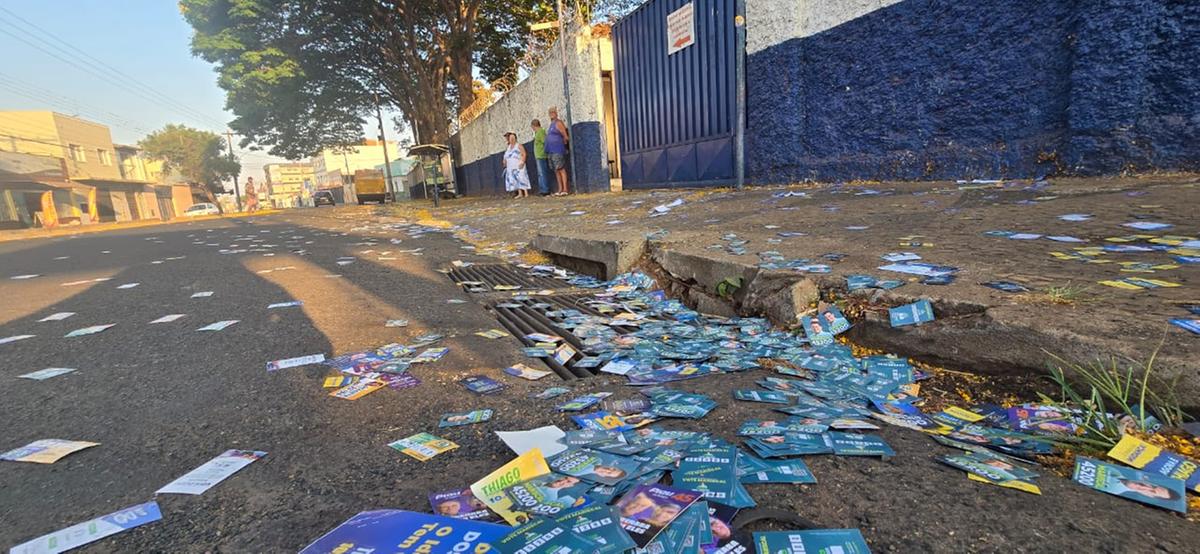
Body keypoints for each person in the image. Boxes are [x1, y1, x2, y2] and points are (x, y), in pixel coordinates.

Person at [545, 106, 570, 196]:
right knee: (556, 170)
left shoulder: (558, 123)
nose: (551, 114)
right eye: (550, 113)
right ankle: (560, 189)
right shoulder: (551, 124)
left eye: (553, 112)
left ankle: (565, 189)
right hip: (551, 151)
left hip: (558, 150)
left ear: (556, 113)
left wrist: (564, 145)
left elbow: (565, 136)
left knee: (561, 169)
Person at [501, 132, 530, 198]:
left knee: (522, 178)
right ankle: (520, 193)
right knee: (515, 179)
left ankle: (526, 193)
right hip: (511, 166)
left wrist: (522, 162)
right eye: (510, 138)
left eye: (513, 138)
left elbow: (524, 154)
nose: (511, 139)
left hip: (519, 164)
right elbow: (505, 155)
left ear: (515, 138)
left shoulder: (519, 145)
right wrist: (504, 161)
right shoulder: (508, 147)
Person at [530, 119, 551, 196]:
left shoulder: (541, 132)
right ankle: (542, 189)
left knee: (542, 173)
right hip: (538, 155)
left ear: (534, 126)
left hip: (541, 155)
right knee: (540, 173)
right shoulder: (537, 133)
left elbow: (545, 142)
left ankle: (545, 190)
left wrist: (544, 151)